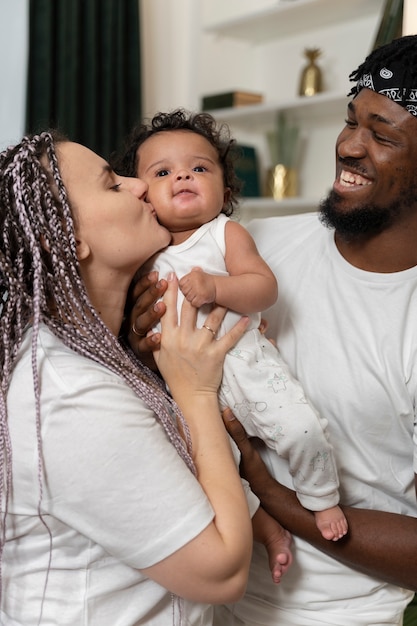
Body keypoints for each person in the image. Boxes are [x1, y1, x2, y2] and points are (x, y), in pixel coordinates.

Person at [126, 35, 417, 626]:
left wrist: (272, 493)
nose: (348, 147)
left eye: (382, 135)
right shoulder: (255, 240)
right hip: (199, 592)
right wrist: (142, 336)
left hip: (336, 614)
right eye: (349, 121)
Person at [0, 131, 255, 625]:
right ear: (65, 241)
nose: (138, 185)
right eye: (112, 185)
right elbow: (221, 573)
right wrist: (196, 393)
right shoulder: (70, 398)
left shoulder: (99, 352)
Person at [113, 110, 348, 565]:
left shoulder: (224, 234)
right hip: (183, 389)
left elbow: (265, 287)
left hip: (247, 366)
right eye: (163, 172)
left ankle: (322, 495)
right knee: (208, 467)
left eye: (199, 168)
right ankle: (266, 528)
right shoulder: (143, 251)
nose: (182, 175)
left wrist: (218, 287)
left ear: (224, 189)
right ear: (142, 195)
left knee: (300, 429)